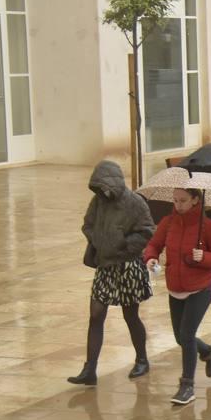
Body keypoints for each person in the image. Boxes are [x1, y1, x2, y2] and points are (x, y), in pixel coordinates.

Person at [69, 160, 156, 387]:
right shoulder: (97, 202)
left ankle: (142, 359)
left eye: (105, 187)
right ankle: (90, 369)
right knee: (96, 315)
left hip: (128, 266)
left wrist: (123, 245)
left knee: (130, 315)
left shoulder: (135, 203)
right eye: (99, 187)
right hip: (105, 266)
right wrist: (100, 241)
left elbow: (147, 230)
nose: (103, 192)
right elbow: (87, 225)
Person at [143, 188, 211, 406]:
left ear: (195, 200)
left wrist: (204, 257)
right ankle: (209, 351)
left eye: (183, 200)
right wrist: (150, 258)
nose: (178, 205)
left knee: (187, 335)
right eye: (175, 200)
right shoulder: (168, 222)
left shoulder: (207, 226)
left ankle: (187, 385)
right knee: (181, 338)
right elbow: (153, 244)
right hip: (175, 288)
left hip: (200, 289)